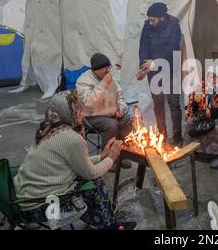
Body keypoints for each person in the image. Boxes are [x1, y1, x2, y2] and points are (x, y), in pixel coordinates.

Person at [13, 90, 137, 230]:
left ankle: (101, 215)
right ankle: (107, 224)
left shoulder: (48, 128)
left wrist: (101, 156)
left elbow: (73, 162)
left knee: (86, 179)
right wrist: (111, 158)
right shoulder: (71, 137)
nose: (81, 114)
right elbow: (90, 173)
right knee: (93, 183)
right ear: (67, 112)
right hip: (40, 205)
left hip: (22, 199)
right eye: (76, 110)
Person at [136, 2, 183, 145]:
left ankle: (177, 137)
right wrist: (143, 67)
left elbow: (172, 49)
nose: (150, 22)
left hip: (170, 70)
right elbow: (143, 46)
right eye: (149, 19)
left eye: (153, 20)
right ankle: (161, 135)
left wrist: (155, 62)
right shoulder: (147, 25)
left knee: (174, 104)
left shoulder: (174, 25)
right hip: (153, 72)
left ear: (162, 18)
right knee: (158, 103)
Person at [76, 53, 131, 168]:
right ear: (96, 70)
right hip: (90, 116)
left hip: (109, 114)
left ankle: (120, 155)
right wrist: (103, 83)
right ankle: (107, 159)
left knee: (127, 119)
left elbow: (119, 96)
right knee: (111, 124)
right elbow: (89, 104)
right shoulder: (83, 81)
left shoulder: (110, 77)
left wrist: (121, 108)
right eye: (105, 68)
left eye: (108, 67)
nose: (108, 71)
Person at [184, 65, 218, 169]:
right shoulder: (203, 86)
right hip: (206, 116)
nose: (212, 79)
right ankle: (191, 150)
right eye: (210, 76)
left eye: (215, 77)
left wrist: (212, 114)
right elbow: (194, 102)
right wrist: (195, 111)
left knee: (215, 126)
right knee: (191, 123)